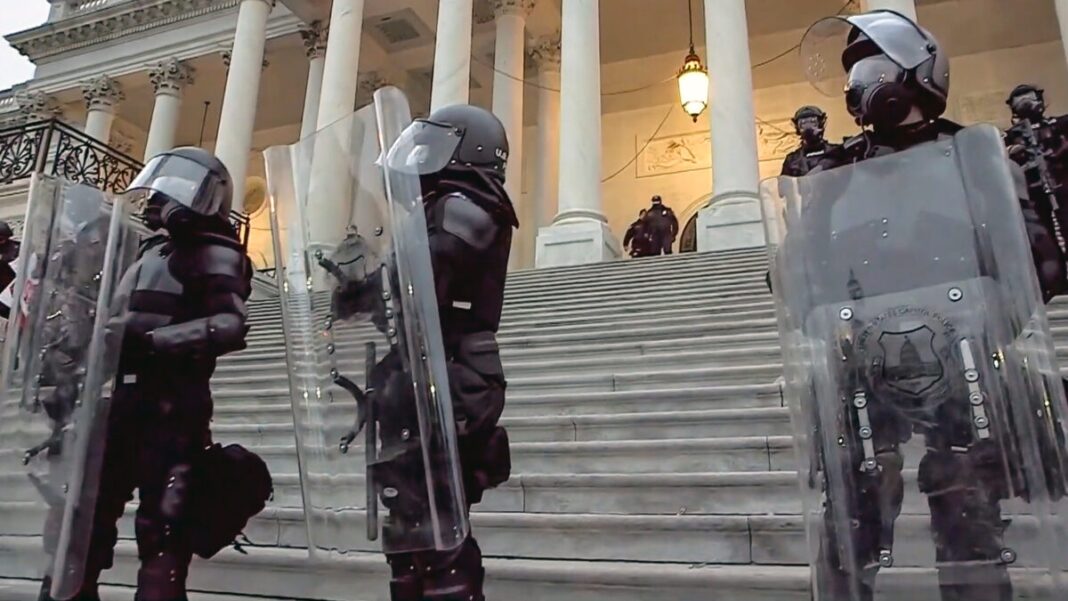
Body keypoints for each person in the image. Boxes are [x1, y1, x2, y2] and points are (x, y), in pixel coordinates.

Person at [793, 10, 1068, 601]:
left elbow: (1036, 258)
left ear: (919, 75)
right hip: (866, 367)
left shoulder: (978, 158)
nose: (862, 86)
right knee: (850, 513)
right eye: (857, 75)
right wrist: (820, 314)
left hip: (966, 359)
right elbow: (794, 272)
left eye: (875, 69)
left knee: (964, 500)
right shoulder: (837, 176)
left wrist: (995, 303)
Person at [66, 147, 261, 601]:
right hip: (119, 401)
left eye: (169, 190)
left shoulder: (216, 253)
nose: (155, 198)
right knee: (85, 517)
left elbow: (230, 325)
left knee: (162, 530)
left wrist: (153, 342)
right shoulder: (150, 252)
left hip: (173, 407)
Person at [381, 105, 516, 600]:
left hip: (456, 373)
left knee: (439, 530)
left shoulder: (466, 205)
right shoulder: (439, 207)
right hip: (421, 369)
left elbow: (434, 269)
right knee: (408, 527)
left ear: (468, 148)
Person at [1004, 84, 1068, 252]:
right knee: (1047, 247)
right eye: (1020, 99)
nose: (1025, 102)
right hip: (1035, 198)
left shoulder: (1061, 124)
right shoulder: (1010, 137)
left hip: (1063, 189)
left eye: (1029, 96)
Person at [781, 105, 841, 177]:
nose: (808, 127)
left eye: (813, 122)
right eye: (803, 123)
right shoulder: (792, 160)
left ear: (821, 124)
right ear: (797, 127)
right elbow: (784, 186)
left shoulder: (837, 152)